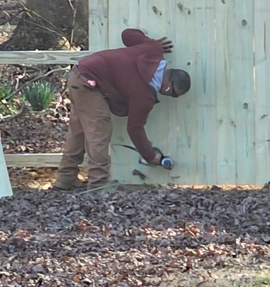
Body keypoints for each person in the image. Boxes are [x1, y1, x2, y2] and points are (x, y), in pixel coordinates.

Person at [53, 28, 191, 191]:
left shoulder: (153, 50)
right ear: (167, 87)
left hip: (79, 76)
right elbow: (134, 128)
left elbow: (127, 34)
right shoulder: (144, 95)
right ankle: (99, 185)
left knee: (78, 132)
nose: (169, 96)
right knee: (100, 132)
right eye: (173, 94)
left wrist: (151, 43)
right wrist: (151, 156)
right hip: (89, 84)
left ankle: (66, 179)